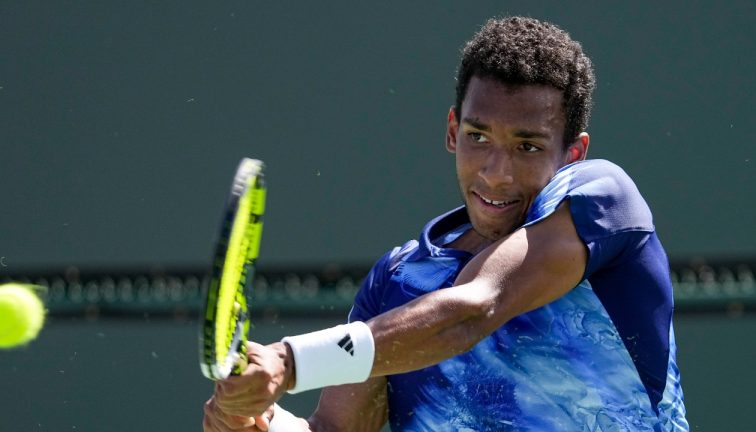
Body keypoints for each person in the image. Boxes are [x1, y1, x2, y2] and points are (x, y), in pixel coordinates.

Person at [204, 16, 689, 431]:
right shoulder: (396, 281)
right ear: (453, 131)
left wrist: (289, 362)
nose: (496, 172)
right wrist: (257, 421)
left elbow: (476, 307)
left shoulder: (602, 200)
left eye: (528, 147)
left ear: (573, 154)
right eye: (479, 137)